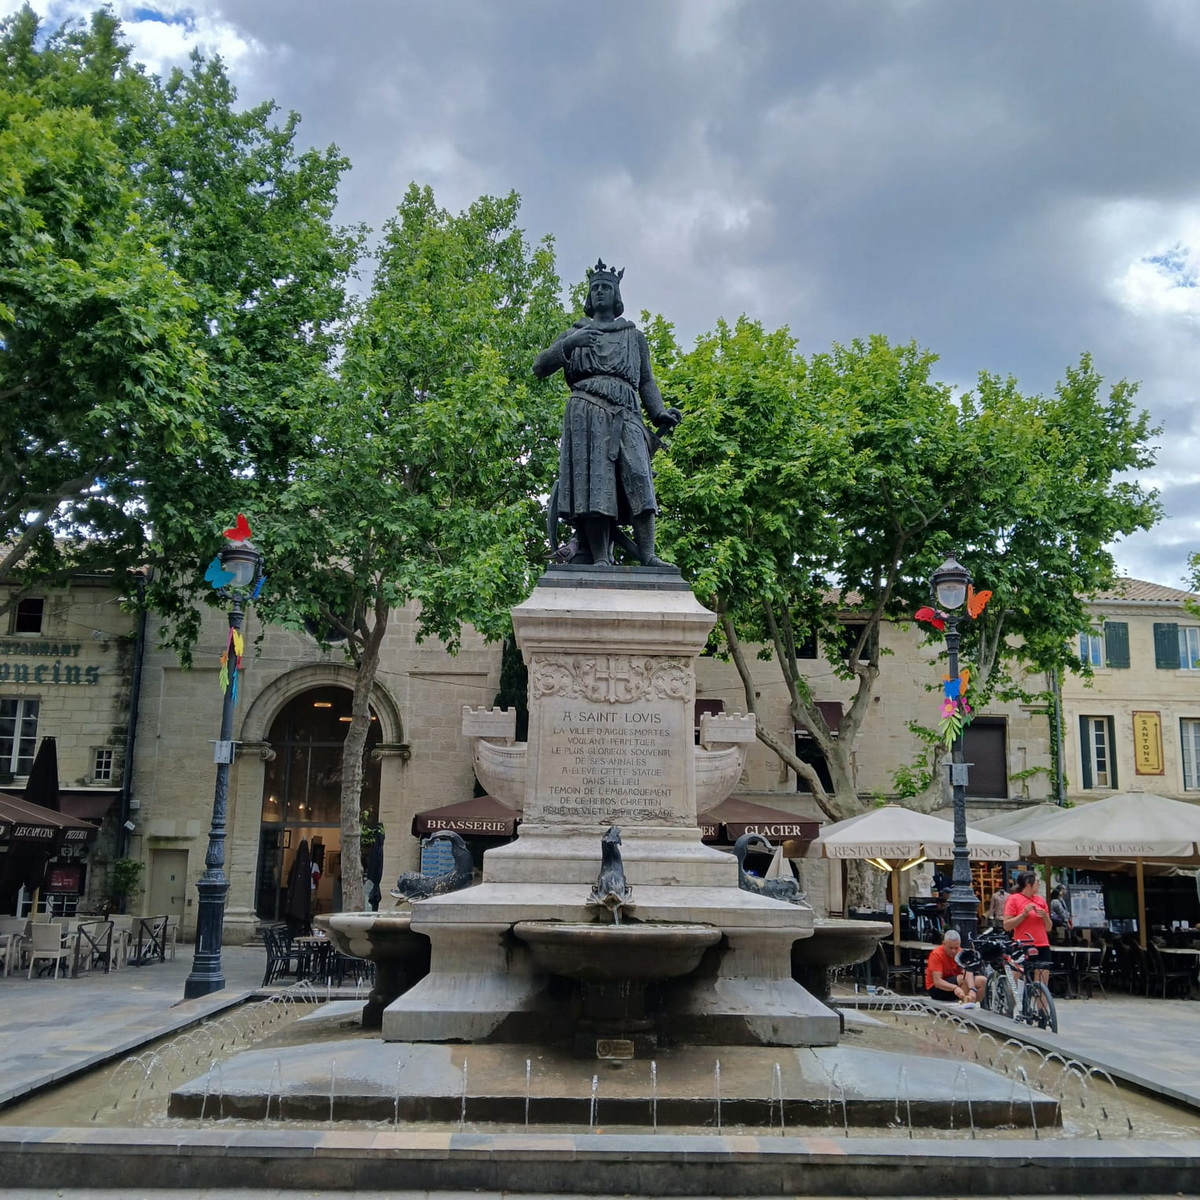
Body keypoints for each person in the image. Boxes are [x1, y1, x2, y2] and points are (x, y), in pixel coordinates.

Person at [533, 260, 682, 568]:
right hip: (585, 413)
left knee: (640, 478)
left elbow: (646, 381)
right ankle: (600, 557)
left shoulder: (634, 336)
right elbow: (540, 367)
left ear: (616, 296)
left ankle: (649, 554)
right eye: (596, 288)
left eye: (606, 287)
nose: (600, 292)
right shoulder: (573, 333)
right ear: (590, 296)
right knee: (595, 486)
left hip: (626, 413)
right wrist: (569, 345)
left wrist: (658, 412)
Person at [1003, 871, 1052, 986]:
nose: (1038, 884)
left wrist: (1045, 916)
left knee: (1042, 981)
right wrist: (1023, 915)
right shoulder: (1014, 899)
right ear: (1028, 884)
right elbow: (1007, 925)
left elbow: (1049, 927)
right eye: (1037, 882)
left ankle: (1041, 997)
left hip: (1042, 944)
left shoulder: (1041, 900)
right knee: (1017, 979)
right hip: (1023, 944)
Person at [924, 929, 982, 1005]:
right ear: (944, 944)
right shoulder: (936, 954)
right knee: (962, 979)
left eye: (956, 948)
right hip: (937, 988)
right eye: (950, 948)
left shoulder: (961, 953)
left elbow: (968, 972)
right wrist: (955, 988)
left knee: (982, 981)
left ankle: (974, 1004)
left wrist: (972, 989)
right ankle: (965, 1006)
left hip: (955, 982)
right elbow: (937, 982)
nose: (954, 951)